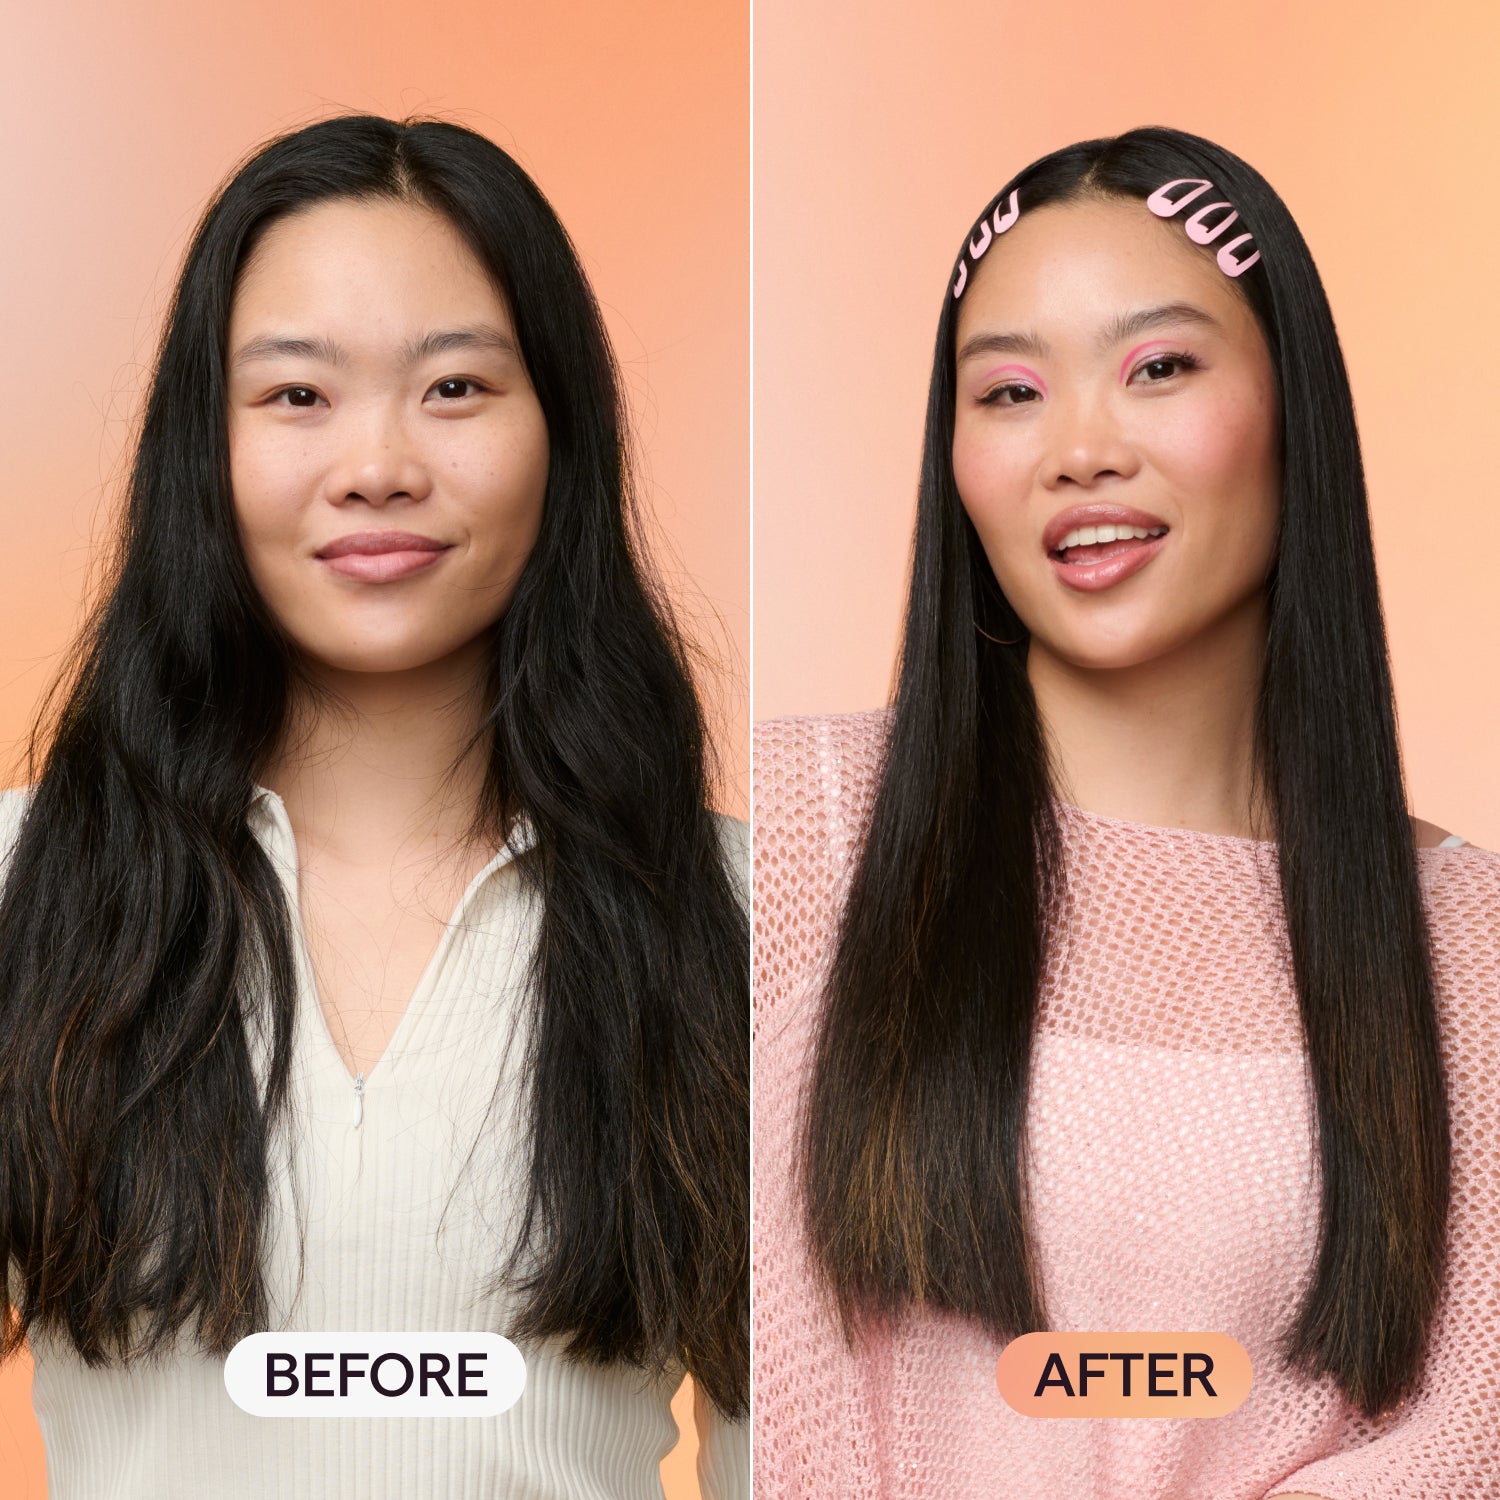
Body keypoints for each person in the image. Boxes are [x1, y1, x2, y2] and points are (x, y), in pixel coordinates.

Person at [0, 113, 748, 1499]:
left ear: (561, 434)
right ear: (200, 450)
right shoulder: (22, 883)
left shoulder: (744, 917)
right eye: (297, 397)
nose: (379, 465)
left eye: (456, 389)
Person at [752, 125, 1499, 1499]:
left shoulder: (1468, 940)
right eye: (1011, 392)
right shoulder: (805, 828)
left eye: (1159, 367)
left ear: (1293, 410)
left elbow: (1470, 1438)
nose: (1081, 449)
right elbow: (771, 1407)